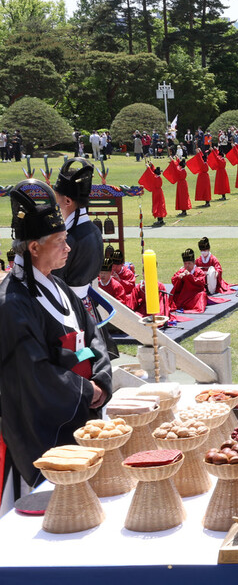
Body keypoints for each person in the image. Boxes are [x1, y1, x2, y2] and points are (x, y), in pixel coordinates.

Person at [0, 180, 112, 508]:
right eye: (60, 241)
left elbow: (92, 335)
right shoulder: (12, 304)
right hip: (45, 427)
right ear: (34, 247)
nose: (69, 248)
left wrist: (101, 380)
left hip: (81, 410)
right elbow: (32, 371)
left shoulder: (58, 285)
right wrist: (85, 390)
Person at [51, 158, 103, 305]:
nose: (55, 205)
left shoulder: (69, 239)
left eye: (56, 200)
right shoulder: (94, 230)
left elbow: (53, 281)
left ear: (67, 201)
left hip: (68, 308)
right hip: (85, 305)